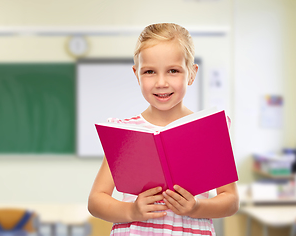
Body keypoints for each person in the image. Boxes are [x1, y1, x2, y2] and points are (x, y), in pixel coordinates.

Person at [88, 23, 239, 236]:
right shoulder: (125, 132)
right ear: (137, 75)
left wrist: (197, 207)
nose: (161, 82)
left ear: (191, 74)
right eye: (149, 71)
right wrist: (131, 210)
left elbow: (231, 201)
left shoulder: (208, 130)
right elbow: (96, 201)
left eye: (173, 71)